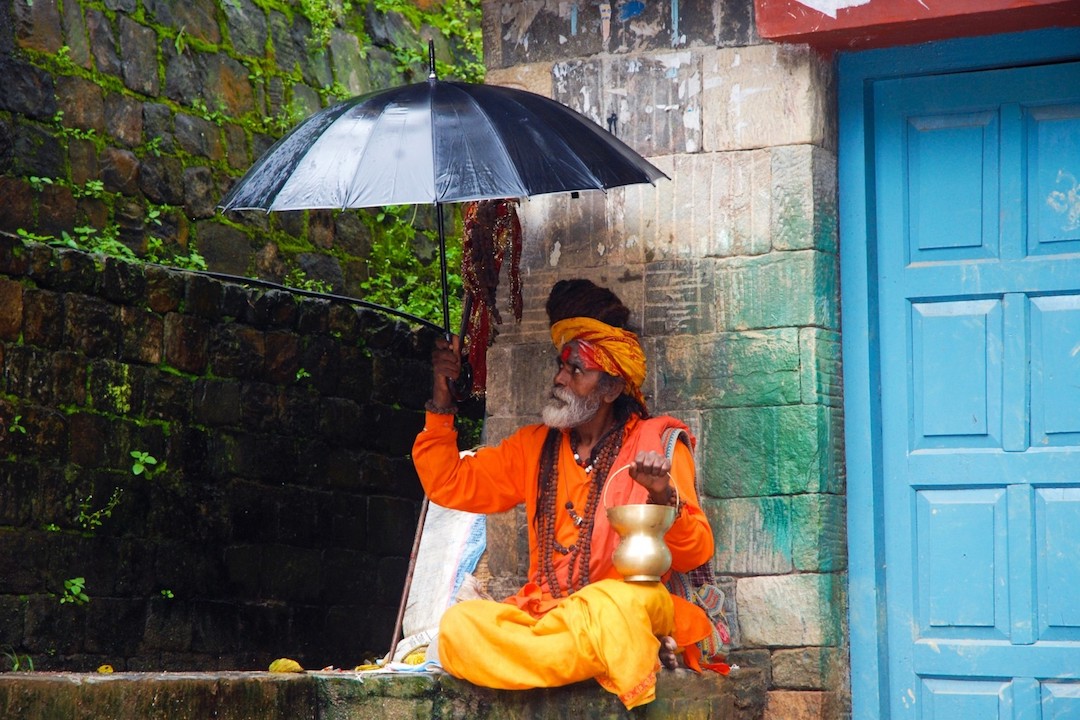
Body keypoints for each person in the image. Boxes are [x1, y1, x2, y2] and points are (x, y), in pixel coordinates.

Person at [412, 279, 715, 709]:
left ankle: (592, 650)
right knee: (459, 626)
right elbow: (449, 483)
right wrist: (442, 401)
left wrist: (664, 496)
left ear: (611, 388)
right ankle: (607, 655)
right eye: (562, 366)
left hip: (623, 606)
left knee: (616, 606)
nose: (559, 378)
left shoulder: (656, 443)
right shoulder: (535, 446)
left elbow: (696, 551)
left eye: (576, 370)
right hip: (550, 617)